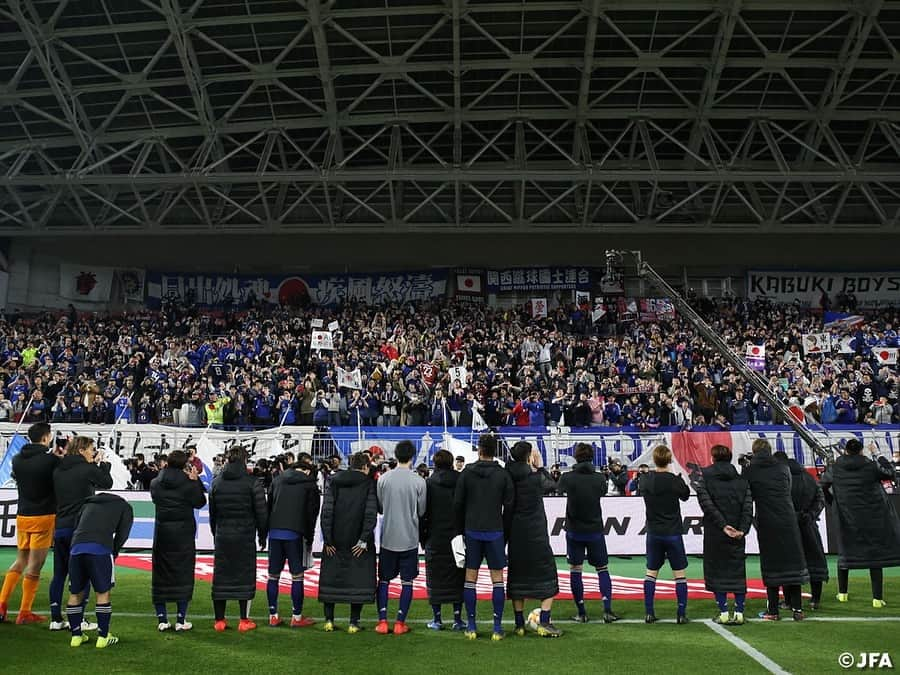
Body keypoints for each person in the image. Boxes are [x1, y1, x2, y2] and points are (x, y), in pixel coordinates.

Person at [820, 439, 900, 607]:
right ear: (861, 451)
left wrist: (833, 502)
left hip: (846, 515)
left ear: (846, 451)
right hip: (872, 516)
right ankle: (877, 599)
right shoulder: (871, 465)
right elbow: (891, 472)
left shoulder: (836, 468)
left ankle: (842, 594)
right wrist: (877, 453)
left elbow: (823, 485)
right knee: (874, 556)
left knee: (845, 553)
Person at [453, 433, 514, 641]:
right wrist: (504, 531)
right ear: (495, 451)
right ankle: (497, 628)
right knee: (497, 580)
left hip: (472, 530)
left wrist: (461, 530)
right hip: (495, 530)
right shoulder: (502, 474)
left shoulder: (467, 473)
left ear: (479, 450)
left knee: (471, 578)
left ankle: (471, 626)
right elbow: (510, 505)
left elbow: (458, 504)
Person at [49, 436, 113, 632]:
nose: (93, 452)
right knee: (81, 576)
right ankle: (79, 619)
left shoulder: (58, 469)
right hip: (80, 529)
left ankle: (55, 619)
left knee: (59, 574)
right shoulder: (87, 468)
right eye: (92, 449)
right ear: (83, 449)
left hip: (60, 527)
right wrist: (103, 464)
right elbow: (107, 482)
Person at [0, 422, 60, 624]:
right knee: (35, 566)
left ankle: (2, 605)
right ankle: (24, 612)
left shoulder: (17, 459)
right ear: (45, 438)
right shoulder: (50, 460)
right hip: (43, 516)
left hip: (23, 515)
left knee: (21, 560)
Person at [743, 439, 809, 621]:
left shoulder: (750, 470)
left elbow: (749, 494)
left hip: (767, 519)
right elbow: (787, 489)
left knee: (771, 563)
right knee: (792, 561)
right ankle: (797, 608)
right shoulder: (783, 468)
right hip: (788, 518)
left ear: (754, 452)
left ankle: (773, 610)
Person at [208, 445, 268, 632]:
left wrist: (216, 533)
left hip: (223, 535)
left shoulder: (217, 482)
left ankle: (219, 620)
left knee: (221, 576)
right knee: (244, 575)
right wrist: (262, 535)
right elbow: (261, 512)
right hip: (244, 535)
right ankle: (243, 620)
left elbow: (213, 513)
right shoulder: (252, 482)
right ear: (244, 460)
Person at [558, 442, 618, 624]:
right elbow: (602, 492)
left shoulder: (567, 477)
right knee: (602, 568)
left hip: (575, 530)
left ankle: (581, 612)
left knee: (576, 569)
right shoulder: (599, 478)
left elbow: (557, 489)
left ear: (576, 457)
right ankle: (607, 610)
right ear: (592, 457)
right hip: (594, 529)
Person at [506, 441, 561, 638]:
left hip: (516, 533)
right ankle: (544, 622)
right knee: (547, 577)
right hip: (536, 533)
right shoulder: (535, 477)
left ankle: (519, 624)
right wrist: (540, 466)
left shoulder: (508, 476)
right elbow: (553, 485)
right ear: (529, 456)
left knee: (517, 578)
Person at [692, 444, 752, 625]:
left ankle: (724, 611)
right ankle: (740, 612)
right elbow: (748, 506)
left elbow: (706, 504)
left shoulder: (705, 479)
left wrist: (723, 525)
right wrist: (742, 529)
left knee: (716, 571)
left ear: (713, 458)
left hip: (715, 532)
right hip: (737, 534)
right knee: (737, 571)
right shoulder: (742, 480)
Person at [65, 492, 133, 649]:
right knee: (103, 593)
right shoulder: (124, 507)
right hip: (100, 549)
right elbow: (123, 533)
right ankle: (103, 637)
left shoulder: (88, 504)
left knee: (75, 593)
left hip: (76, 549)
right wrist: (113, 551)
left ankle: (76, 636)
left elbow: (76, 526)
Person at [319, 452, 378, 633]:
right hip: (357, 541)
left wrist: (328, 539)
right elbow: (370, 514)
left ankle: (329, 620)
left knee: (331, 580)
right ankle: (353, 622)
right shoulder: (368, 484)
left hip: (335, 539)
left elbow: (326, 511)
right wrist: (363, 540)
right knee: (358, 581)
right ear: (366, 467)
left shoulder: (333, 481)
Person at [150, 449, 207, 632]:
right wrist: (195, 481)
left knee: (160, 573)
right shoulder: (188, 483)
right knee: (183, 573)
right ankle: (181, 620)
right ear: (184, 465)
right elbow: (200, 502)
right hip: (183, 533)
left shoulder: (156, 483)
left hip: (163, 533)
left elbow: (155, 498)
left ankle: (162, 619)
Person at [375, 440, 426, 635]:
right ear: (412, 457)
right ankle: (399, 622)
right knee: (407, 581)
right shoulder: (419, 481)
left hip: (388, 537)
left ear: (396, 455)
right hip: (409, 538)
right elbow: (421, 511)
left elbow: (380, 506)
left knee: (384, 581)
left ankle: (382, 621)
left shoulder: (383, 479)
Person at [265, 453, 320, 628]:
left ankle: (273, 615)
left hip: (274, 532)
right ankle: (296, 617)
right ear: (305, 470)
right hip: (295, 533)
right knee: (297, 576)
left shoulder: (277, 480)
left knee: (273, 575)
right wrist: (309, 538)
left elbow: (269, 505)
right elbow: (312, 514)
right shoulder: (309, 485)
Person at [640, 444, 690, 624]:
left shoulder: (645, 480)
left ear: (654, 460)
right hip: (673, 532)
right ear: (669, 460)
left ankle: (649, 612)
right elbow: (685, 495)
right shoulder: (674, 480)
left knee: (651, 573)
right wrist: (678, 477)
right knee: (679, 574)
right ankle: (681, 613)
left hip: (654, 531)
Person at [774, 451, 828, 610]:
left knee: (789, 563)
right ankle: (815, 600)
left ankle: (789, 601)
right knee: (815, 561)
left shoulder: (781, 479)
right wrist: (811, 515)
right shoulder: (809, 477)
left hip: (788, 526)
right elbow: (820, 499)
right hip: (808, 524)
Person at [422, 449, 465, 631]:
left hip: (435, 536)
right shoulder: (461, 481)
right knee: (458, 577)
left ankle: (437, 619)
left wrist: (423, 538)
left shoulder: (428, 484)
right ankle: (457, 619)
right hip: (457, 537)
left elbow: (423, 512)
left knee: (435, 577)